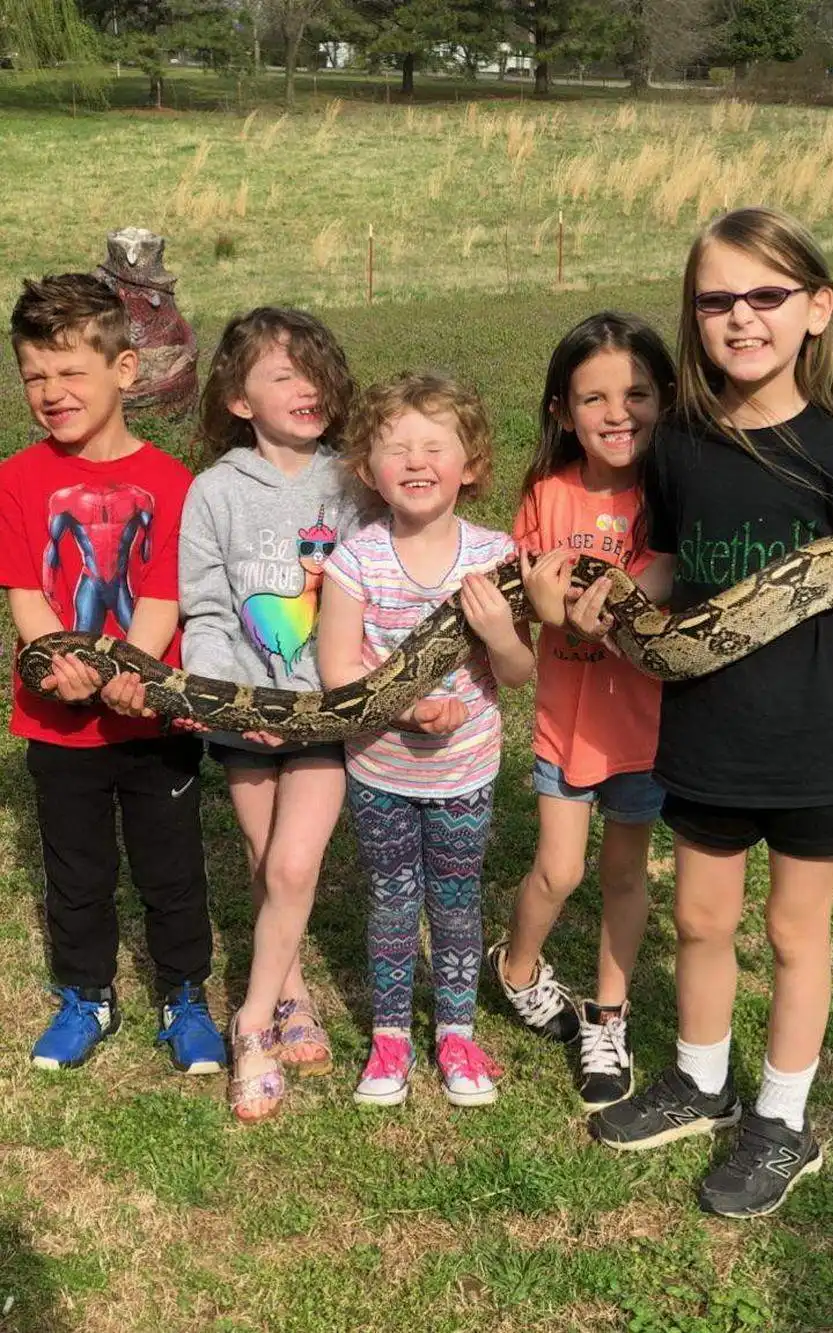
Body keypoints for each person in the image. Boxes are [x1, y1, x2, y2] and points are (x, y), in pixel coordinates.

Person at [580, 207, 833, 1217]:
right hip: (708, 725)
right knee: (700, 917)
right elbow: (669, 563)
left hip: (818, 734)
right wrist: (604, 593)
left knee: (796, 932)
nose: (741, 317)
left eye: (766, 295)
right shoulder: (679, 438)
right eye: (716, 299)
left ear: (817, 308)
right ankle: (700, 1081)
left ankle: (782, 1119)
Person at [0, 273, 225, 1074]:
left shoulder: (173, 482)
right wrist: (62, 668)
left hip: (150, 713)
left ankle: (184, 995)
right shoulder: (16, 478)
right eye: (34, 375)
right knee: (76, 869)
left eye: (70, 371)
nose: (51, 391)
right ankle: (85, 994)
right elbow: (27, 593)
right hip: (55, 718)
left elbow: (163, 596)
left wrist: (133, 676)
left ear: (124, 370)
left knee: (172, 867)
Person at [319, 373, 534, 1108]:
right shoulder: (356, 560)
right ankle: (390, 1036)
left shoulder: (497, 557)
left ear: (470, 464)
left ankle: (456, 1032)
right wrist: (406, 710)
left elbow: (517, 673)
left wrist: (500, 630)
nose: (416, 461)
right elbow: (338, 672)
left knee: (456, 897)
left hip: (465, 771)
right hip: (379, 767)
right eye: (396, 448)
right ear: (366, 469)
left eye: (434, 446)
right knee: (389, 896)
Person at [487, 312, 677, 1112]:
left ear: (666, 399)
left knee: (625, 873)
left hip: (646, 729)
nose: (617, 413)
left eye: (636, 394)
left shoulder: (672, 494)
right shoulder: (547, 493)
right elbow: (525, 592)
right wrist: (556, 609)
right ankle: (516, 969)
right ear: (562, 411)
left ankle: (608, 1016)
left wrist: (607, 599)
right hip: (566, 724)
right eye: (593, 398)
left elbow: (664, 576)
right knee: (558, 870)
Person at [178, 307, 359, 1123]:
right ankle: (292, 991)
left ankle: (250, 1021)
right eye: (284, 374)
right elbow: (207, 610)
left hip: (323, 714)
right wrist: (228, 697)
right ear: (240, 399)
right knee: (263, 859)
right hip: (242, 716)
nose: (305, 387)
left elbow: (372, 592)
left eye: (315, 371)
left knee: (291, 866)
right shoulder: (213, 492)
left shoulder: (352, 483)